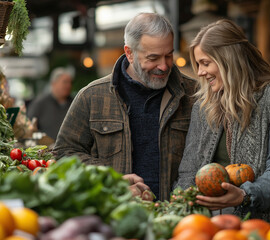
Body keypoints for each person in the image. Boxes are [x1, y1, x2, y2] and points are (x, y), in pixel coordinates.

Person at [175, 19, 270, 227]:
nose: (199, 72)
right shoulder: (203, 107)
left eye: (205, 63)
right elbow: (189, 170)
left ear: (228, 60)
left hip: (265, 227)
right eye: (198, 64)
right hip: (209, 227)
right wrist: (178, 212)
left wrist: (246, 195)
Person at [53, 13, 197, 201]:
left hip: (180, 219)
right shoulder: (92, 96)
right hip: (116, 213)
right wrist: (110, 179)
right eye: (153, 58)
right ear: (129, 53)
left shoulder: (194, 95)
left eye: (168, 55)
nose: (163, 66)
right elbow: (64, 153)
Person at [27, 67, 74, 141]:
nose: (68, 85)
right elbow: (29, 126)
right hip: (45, 150)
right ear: (53, 83)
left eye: (70, 82)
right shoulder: (40, 103)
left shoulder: (75, 103)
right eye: (65, 82)